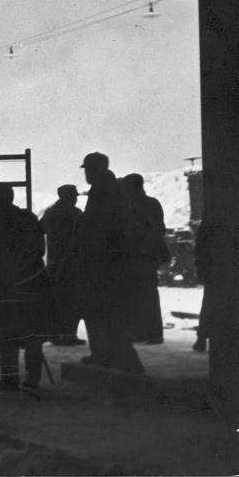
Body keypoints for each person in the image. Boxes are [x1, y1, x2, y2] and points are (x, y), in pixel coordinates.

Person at [70, 153, 144, 375]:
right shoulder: (108, 188)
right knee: (102, 312)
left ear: (95, 169)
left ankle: (124, 360)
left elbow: (102, 227)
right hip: (106, 262)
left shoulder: (105, 191)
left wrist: (82, 226)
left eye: (87, 169)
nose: (85, 173)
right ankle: (104, 355)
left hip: (103, 263)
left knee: (105, 312)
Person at [0, 182, 54, 390]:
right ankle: (33, 378)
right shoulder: (27, 217)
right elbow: (38, 249)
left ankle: (10, 378)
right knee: (32, 335)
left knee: (7, 334)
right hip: (34, 284)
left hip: (10, 286)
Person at [121, 173, 168, 345]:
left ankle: (151, 333)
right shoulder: (149, 204)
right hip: (143, 257)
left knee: (144, 295)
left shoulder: (142, 206)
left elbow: (155, 230)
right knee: (142, 295)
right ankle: (146, 332)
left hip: (143, 257)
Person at [38, 184, 86, 346]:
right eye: (74, 196)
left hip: (53, 263)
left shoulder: (50, 213)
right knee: (72, 301)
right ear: (69, 196)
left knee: (55, 301)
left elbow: (40, 229)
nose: (76, 198)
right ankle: (69, 335)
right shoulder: (76, 214)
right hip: (71, 263)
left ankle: (54, 334)